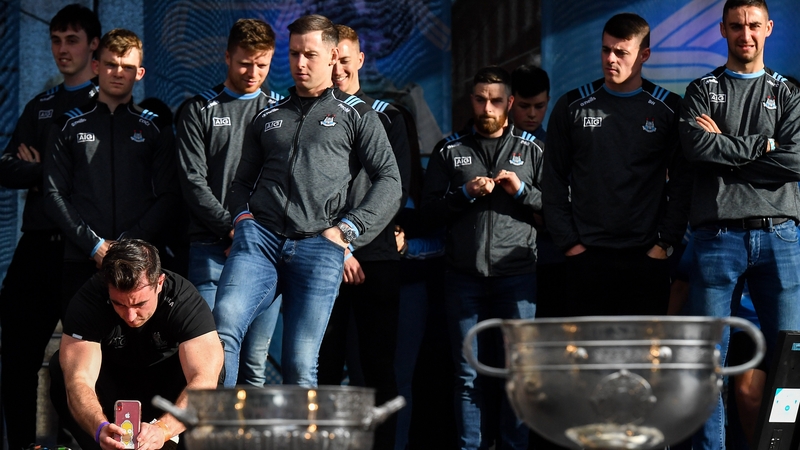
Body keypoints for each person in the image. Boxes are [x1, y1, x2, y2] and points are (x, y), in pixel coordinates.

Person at [212, 14, 401, 388]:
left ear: (333, 57)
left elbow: (390, 181)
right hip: (259, 242)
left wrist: (347, 231)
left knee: (300, 364)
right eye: (295, 54)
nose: (300, 64)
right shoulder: (268, 116)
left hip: (320, 245)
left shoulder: (357, 114)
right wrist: (243, 219)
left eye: (310, 55)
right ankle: (223, 431)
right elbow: (239, 183)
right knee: (223, 329)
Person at [679, 1, 800, 449]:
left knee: (793, 359)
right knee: (707, 362)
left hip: (782, 234)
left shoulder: (789, 93)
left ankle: (781, 445)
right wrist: (766, 146)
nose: (744, 35)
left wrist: (726, 150)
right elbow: (697, 151)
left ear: (768, 28)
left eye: (753, 25)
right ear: (723, 30)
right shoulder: (702, 89)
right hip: (718, 237)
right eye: (735, 26)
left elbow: (797, 159)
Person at [421, 66, 543, 450]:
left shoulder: (534, 147)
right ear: (470, 100)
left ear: (509, 102)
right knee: (467, 373)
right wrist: (465, 194)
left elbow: (559, 209)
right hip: (463, 277)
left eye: (494, 100)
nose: (486, 107)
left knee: (518, 372)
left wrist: (522, 190)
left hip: (517, 276)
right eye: (479, 99)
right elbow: (427, 213)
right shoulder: (449, 148)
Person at [541, 13, 691, 317]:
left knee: (641, 357)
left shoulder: (668, 108)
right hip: (586, 257)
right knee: (587, 358)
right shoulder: (571, 106)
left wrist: (664, 244)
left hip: (646, 258)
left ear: (644, 55)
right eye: (605, 49)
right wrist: (570, 244)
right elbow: (553, 179)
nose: (611, 59)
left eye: (621, 52)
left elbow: (683, 181)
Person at [0, 5, 100, 448]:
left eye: (72, 40)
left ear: (93, 45)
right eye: (56, 41)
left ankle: (87, 440)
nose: (62, 49)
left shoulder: (108, 102)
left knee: (84, 362)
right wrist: (55, 176)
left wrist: (45, 171)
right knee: (17, 356)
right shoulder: (40, 105)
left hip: (85, 248)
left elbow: (98, 177)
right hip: (37, 244)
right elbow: (5, 166)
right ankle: (23, 444)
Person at [314, 23, 410, 449]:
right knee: (324, 365)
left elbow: (396, 184)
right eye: (331, 59)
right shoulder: (309, 114)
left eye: (345, 58)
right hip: (322, 256)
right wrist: (337, 248)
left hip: (375, 257)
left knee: (378, 367)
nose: (338, 67)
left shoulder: (389, 114)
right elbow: (305, 191)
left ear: (360, 60)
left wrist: (353, 241)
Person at [176, 18, 283, 387]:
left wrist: (254, 236)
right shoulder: (198, 109)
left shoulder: (281, 112)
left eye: (262, 63)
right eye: (244, 62)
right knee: (211, 361)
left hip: (265, 253)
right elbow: (192, 181)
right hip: (210, 248)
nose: (253, 72)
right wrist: (233, 227)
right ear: (226, 56)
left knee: (255, 362)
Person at [44, 28, 180, 315]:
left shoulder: (156, 127)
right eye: (110, 64)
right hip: (82, 258)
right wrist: (94, 245)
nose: (118, 72)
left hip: (141, 261)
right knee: (82, 352)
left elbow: (170, 194)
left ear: (139, 73)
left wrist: (129, 245)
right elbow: (53, 194)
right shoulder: (66, 125)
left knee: (135, 354)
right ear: (96, 66)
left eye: (127, 67)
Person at [49, 239, 223, 450]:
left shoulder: (183, 300)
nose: (130, 316)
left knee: (215, 367)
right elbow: (79, 381)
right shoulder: (89, 301)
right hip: (112, 387)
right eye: (119, 304)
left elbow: (204, 381)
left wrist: (164, 429)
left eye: (140, 304)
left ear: (159, 283)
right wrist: (99, 427)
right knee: (61, 367)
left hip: (166, 390)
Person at [510, 64, 549, 142]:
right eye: (524, 106)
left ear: (547, 101)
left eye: (539, 106)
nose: (532, 114)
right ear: (510, 102)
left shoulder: (554, 148)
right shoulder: (493, 144)